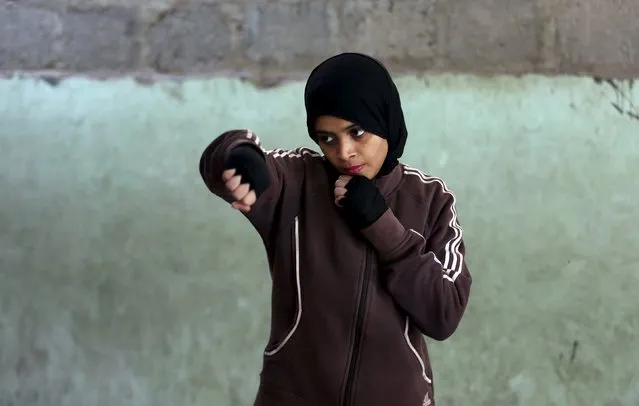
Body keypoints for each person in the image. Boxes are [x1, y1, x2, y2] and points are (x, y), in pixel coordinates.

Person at [199, 52, 472, 406]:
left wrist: (383, 227)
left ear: (385, 119)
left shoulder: (431, 200)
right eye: (327, 138)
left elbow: (444, 314)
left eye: (357, 132)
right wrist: (237, 161)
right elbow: (236, 158)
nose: (344, 152)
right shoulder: (297, 182)